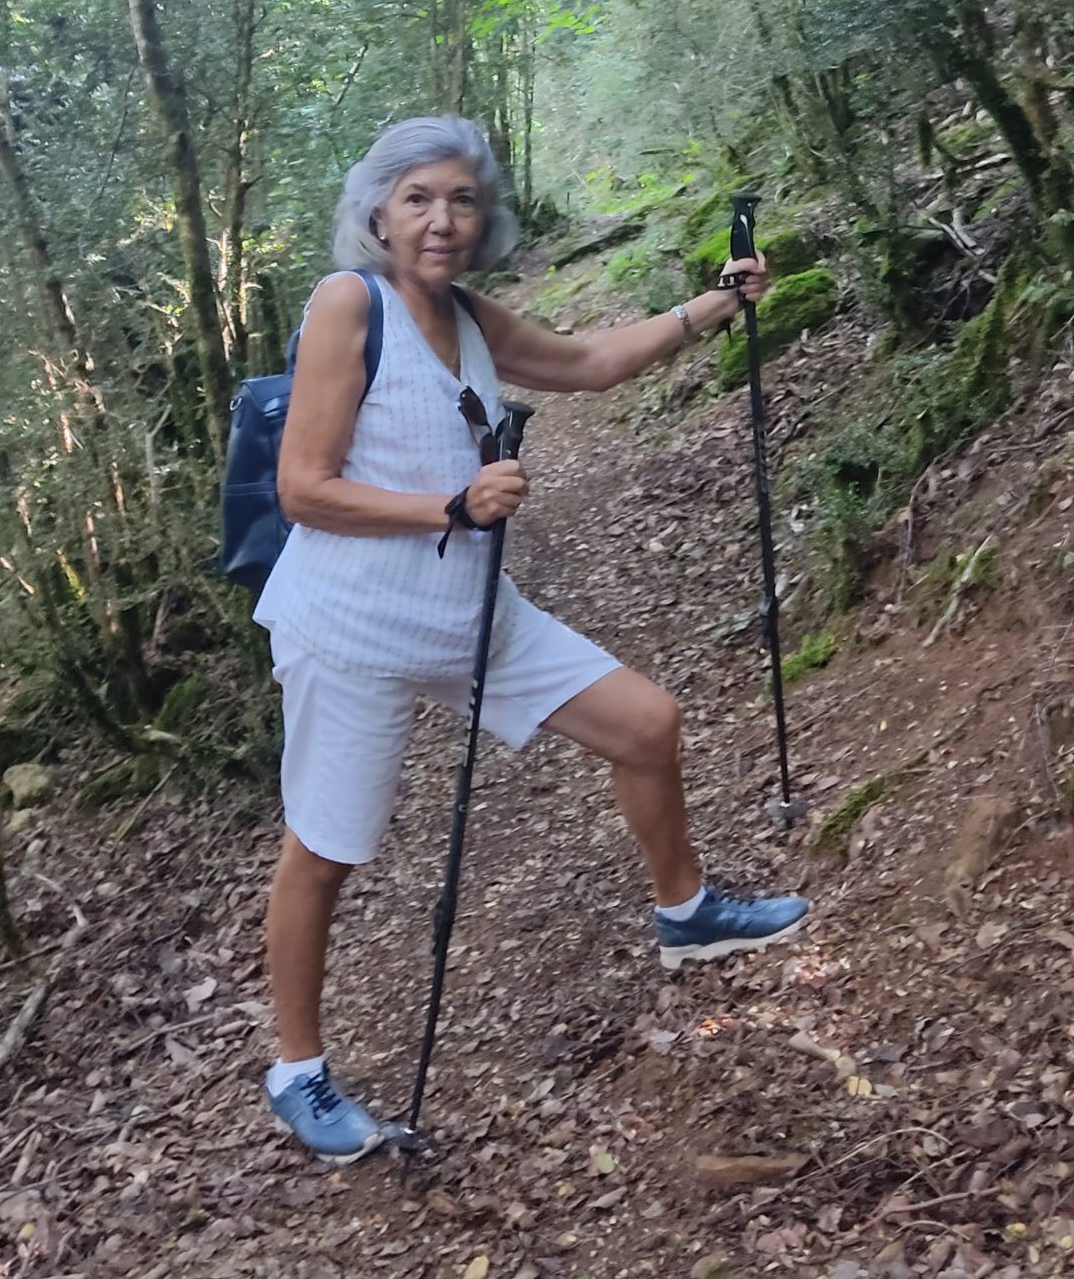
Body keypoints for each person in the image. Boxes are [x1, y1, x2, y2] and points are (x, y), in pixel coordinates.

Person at [254, 116, 807, 1160]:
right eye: (419, 197)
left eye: (461, 199)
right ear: (377, 210)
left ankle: (685, 911)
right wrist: (451, 507)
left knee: (647, 724)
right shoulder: (348, 305)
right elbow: (304, 489)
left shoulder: (464, 315)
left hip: (472, 612)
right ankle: (298, 1069)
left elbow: (592, 361)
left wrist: (716, 303)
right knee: (326, 850)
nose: (442, 219)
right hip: (353, 625)